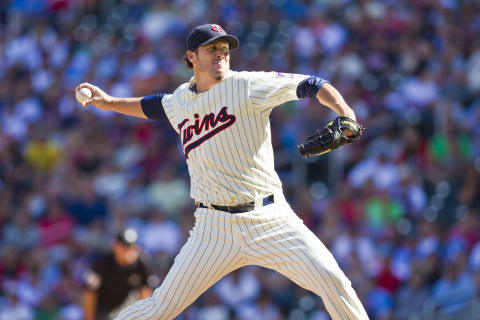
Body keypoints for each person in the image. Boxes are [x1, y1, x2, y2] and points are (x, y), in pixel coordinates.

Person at [75, 23, 369, 320]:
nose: (221, 54)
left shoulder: (247, 85)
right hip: (213, 229)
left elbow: (313, 84)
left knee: (334, 281)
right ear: (191, 57)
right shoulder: (180, 100)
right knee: (160, 307)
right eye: (212, 48)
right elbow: (152, 106)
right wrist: (107, 102)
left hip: (270, 219)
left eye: (225, 49)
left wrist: (347, 114)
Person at [82, 229, 153, 320]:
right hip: (104, 311)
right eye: (124, 247)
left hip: (129, 310)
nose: (128, 251)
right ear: (115, 246)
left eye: (132, 247)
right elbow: (89, 293)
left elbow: (145, 293)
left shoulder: (140, 265)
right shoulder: (102, 263)